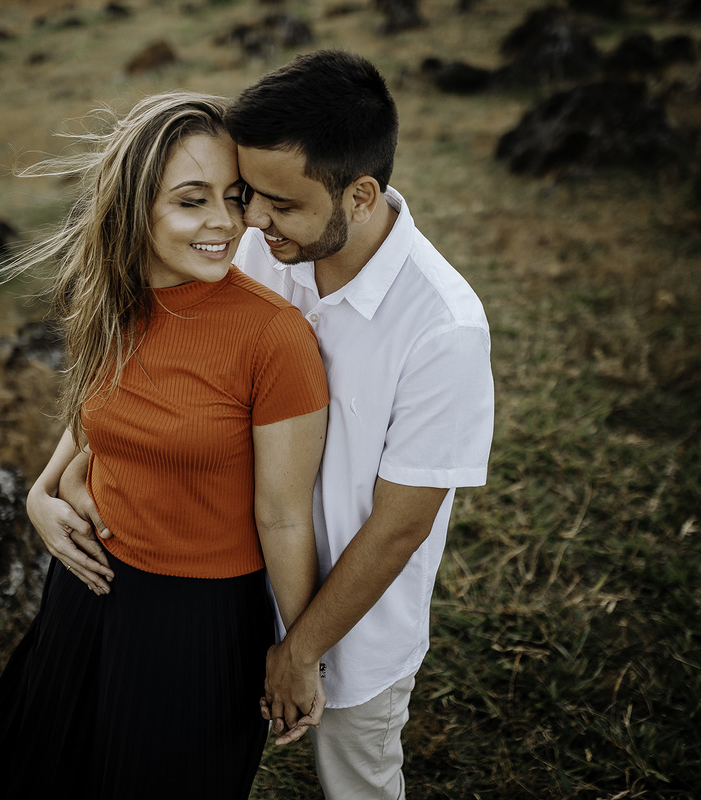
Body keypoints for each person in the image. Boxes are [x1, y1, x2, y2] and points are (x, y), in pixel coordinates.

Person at [55, 50, 495, 798]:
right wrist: (51, 480)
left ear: (359, 196)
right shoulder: (259, 241)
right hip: (227, 592)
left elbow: (398, 527)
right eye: (249, 195)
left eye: (279, 204)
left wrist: (301, 649)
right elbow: (153, 357)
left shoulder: (442, 328)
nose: (251, 220)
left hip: (352, 628)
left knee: (354, 781)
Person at [0, 91, 329, 799]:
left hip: (199, 625)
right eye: (193, 200)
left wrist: (298, 653)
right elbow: (98, 413)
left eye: (234, 195)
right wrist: (42, 493)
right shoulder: (106, 299)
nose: (224, 222)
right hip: (85, 593)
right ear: (137, 209)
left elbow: (283, 516)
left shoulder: (274, 338)